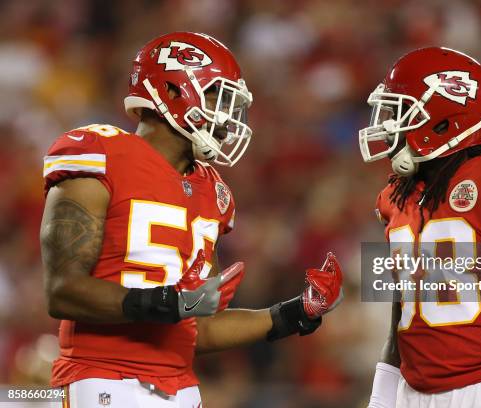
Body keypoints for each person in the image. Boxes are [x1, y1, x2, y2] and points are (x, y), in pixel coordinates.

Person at [40, 32, 343, 408]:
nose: (228, 117)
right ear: (173, 90)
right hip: (102, 378)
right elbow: (63, 291)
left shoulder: (211, 191)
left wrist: (294, 312)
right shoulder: (98, 154)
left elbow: (199, 328)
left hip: (180, 388)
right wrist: (170, 303)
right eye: (218, 98)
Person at [361, 47, 481, 408]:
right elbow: (400, 329)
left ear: (443, 121)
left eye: (402, 112)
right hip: (410, 392)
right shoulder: (398, 196)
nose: (389, 124)